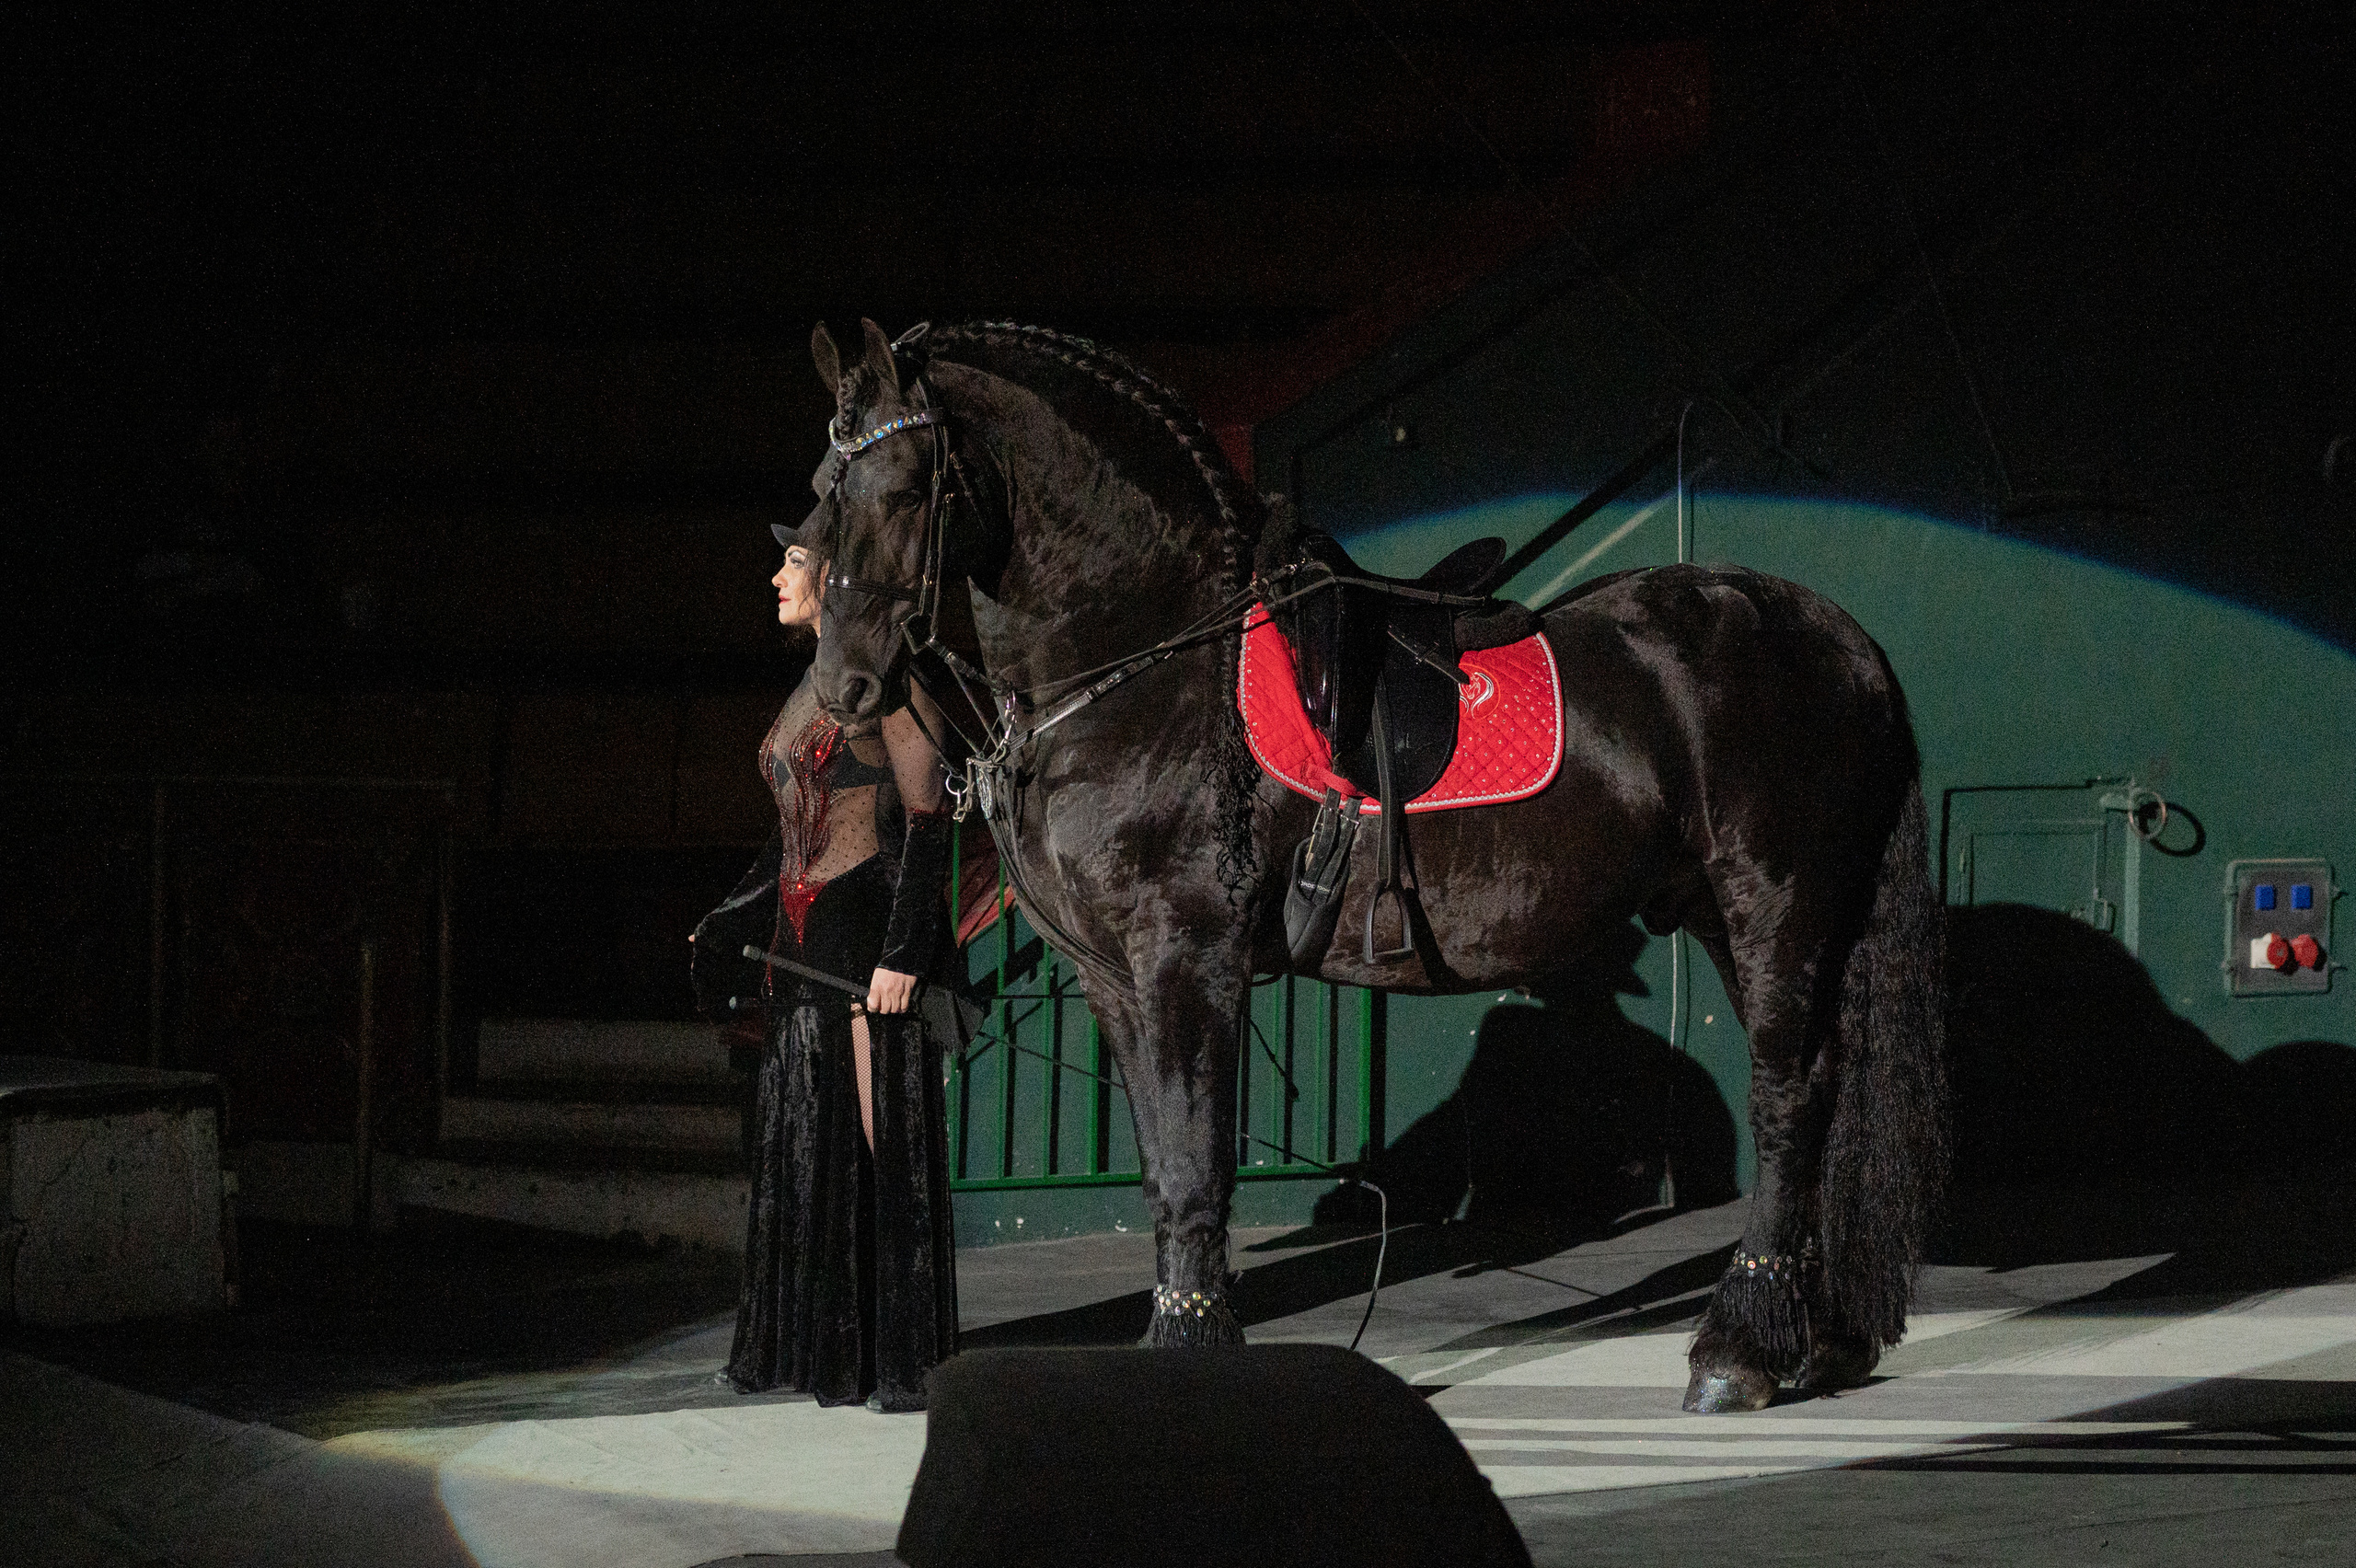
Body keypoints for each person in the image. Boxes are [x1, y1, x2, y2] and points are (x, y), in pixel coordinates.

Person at [692, 519, 958, 1412]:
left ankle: (899, 1359)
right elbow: (786, 839)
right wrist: (728, 922)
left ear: (838, 576)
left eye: (793, 562)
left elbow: (928, 819)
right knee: (803, 1149)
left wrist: (904, 956)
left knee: (877, 1152)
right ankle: (806, 1350)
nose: (776, 576)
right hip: (801, 958)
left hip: (865, 951)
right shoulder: (808, 685)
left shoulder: (889, 679)